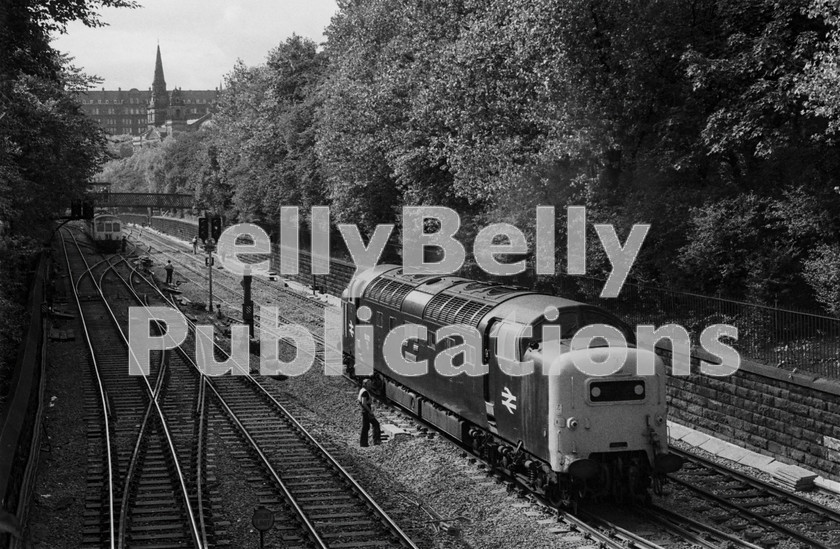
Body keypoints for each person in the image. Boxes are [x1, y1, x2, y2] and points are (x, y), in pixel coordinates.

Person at [358, 379, 381, 447]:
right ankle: (374, 441)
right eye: (369, 384)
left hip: (365, 411)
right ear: (365, 384)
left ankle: (365, 443)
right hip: (366, 411)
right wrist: (370, 411)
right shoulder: (364, 392)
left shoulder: (362, 390)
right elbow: (363, 403)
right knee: (372, 425)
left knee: (366, 427)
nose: (371, 385)